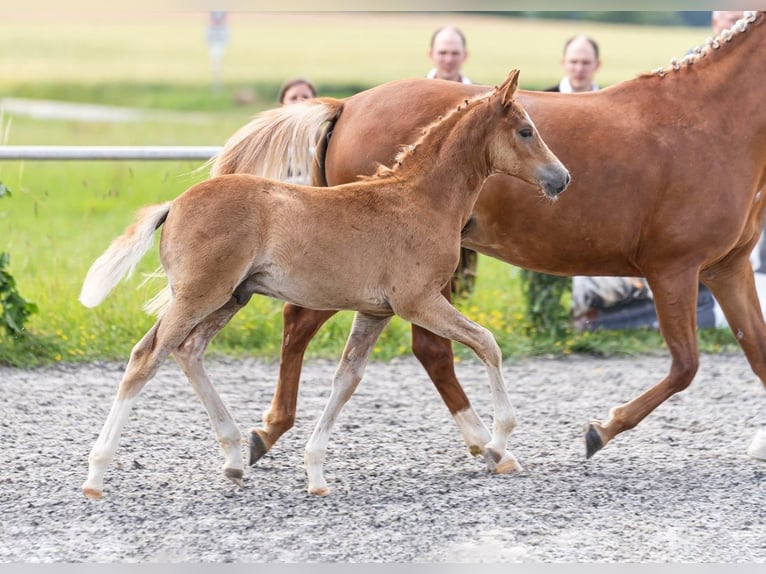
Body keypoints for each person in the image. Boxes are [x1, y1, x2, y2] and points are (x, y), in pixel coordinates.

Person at [426, 26, 475, 295]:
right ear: (431, 54)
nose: (448, 59)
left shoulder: (477, 96)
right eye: (443, 52)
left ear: (464, 56)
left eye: (454, 53)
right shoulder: (416, 96)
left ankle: (462, 295)